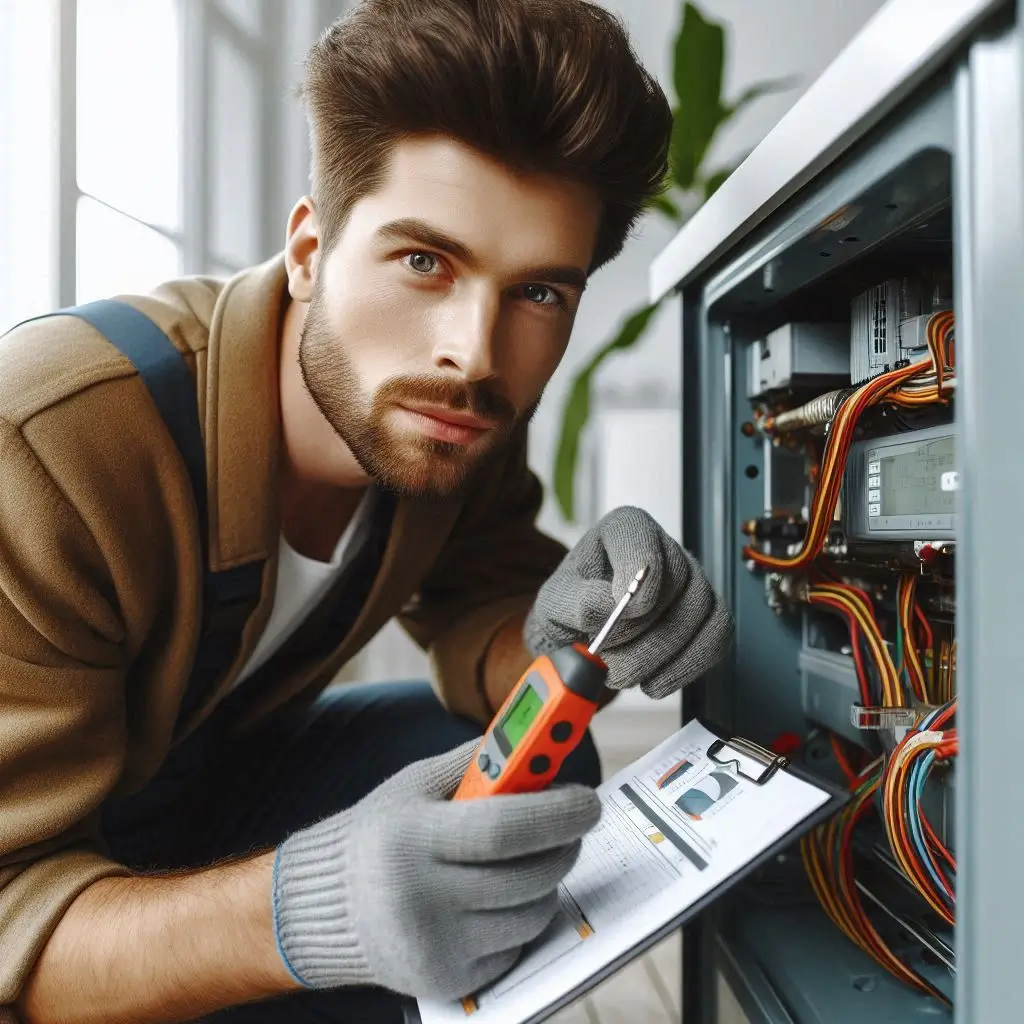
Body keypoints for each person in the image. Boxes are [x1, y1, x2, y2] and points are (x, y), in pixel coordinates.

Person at [0, 1, 733, 1021]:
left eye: (538, 295)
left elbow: (481, 597)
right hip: (39, 884)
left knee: (491, 761)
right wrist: (308, 909)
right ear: (308, 249)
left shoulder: (448, 412)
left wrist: (572, 635)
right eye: (423, 261)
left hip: (182, 797)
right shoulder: (49, 443)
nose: (473, 353)